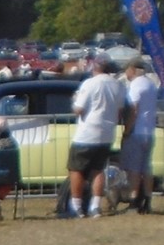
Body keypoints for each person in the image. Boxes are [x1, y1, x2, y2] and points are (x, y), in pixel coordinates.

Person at [66, 54, 128, 218]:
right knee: (98, 169)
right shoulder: (118, 86)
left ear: (95, 67)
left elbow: (79, 109)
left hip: (87, 133)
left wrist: (75, 101)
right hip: (106, 132)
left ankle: (77, 206)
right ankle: (95, 206)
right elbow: (120, 110)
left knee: (76, 169)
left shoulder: (90, 83)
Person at [121, 56, 157, 213]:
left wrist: (127, 130)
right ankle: (148, 200)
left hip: (137, 132)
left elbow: (134, 109)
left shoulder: (135, 85)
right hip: (149, 131)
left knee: (134, 168)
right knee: (146, 167)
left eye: (127, 70)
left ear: (133, 69)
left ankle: (134, 200)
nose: (126, 73)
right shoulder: (151, 85)